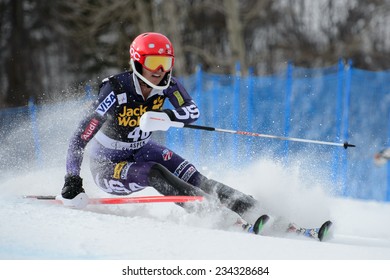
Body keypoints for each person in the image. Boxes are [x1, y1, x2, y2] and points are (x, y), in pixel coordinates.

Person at [60, 32, 261, 231]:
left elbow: (192, 111)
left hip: (142, 149)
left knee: (195, 177)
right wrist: (72, 180)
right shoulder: (115, 89)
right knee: (154, 172)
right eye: (153, 62)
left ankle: (252, 208)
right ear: (138, 63)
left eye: (165, 63)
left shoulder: (168, 86)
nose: (159, 71)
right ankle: (216, 215)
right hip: (108, 165)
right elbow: (80, 136)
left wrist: (167, 116)